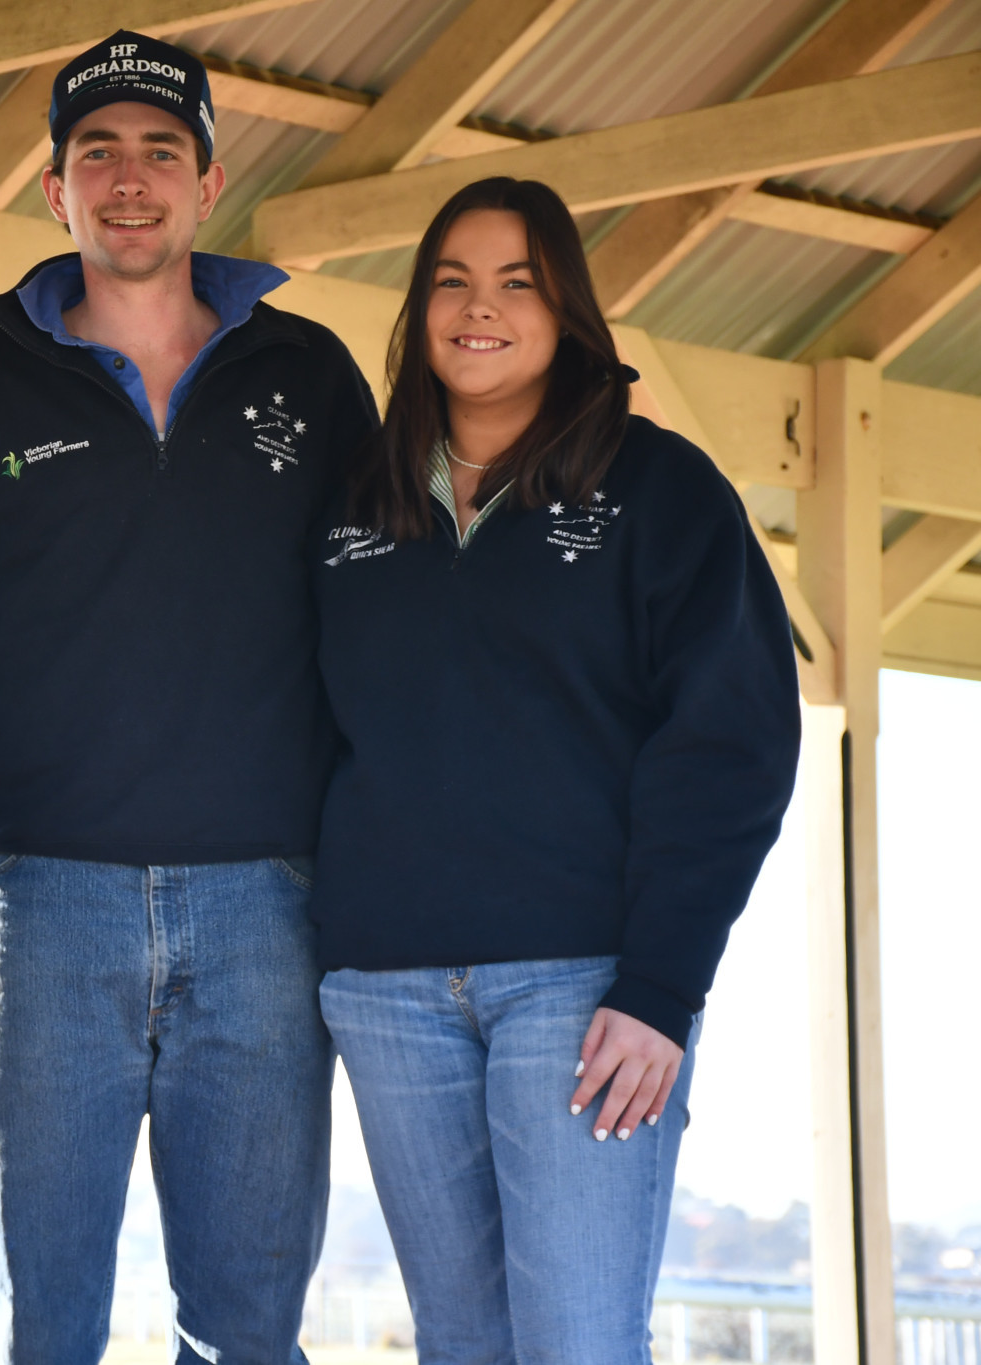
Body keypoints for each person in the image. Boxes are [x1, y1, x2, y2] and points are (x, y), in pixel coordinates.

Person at [0, 32, 378, 1364]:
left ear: (210, 181)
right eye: (95, 152)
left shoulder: (312, 379)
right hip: (46, 903)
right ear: (55, 192)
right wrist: (26, 732)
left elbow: (382, 615)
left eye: (161, 151)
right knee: (37, 1321)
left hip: (268, 906)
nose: (129, 178)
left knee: (249, 1327)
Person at [311, 176, 801, 1362]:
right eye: (449, 281)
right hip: (385, 990)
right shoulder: (351, 506)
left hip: (580, 993)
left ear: (565, 310)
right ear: (417, 309)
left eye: (515, 283)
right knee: (459, 1346)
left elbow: (730, 743)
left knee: (577, 1343)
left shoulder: (658, 489)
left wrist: (660, 988)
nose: (477, 308)